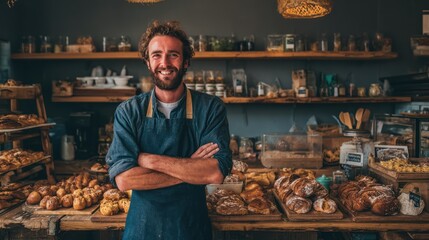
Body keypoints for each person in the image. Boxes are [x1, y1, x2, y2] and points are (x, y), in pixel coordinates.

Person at [106, 20, 232, 240]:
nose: (164, 62)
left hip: (191, 228)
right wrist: (190, 168)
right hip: (142, 229)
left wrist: (148, 160)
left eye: (173, 54)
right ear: (147, 62)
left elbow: (214, 172)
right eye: (156, 55)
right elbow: (125, 180)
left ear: (185, 62)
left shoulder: (210, 108)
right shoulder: (129, 111)